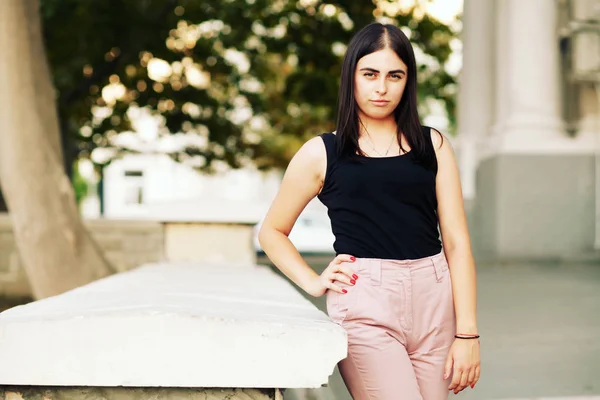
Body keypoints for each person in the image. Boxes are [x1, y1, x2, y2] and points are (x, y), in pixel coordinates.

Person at [258, 22, 480, 399]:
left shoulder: (433, 145)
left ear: (407, 81)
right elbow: (272, 232)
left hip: (435, 299)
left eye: (395, 75)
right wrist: (313, 282)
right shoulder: (321, 152)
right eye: (370, 74)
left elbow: (457, 243)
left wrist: (468, 333)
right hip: (366, 304)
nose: (382, 87)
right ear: (352, 78)